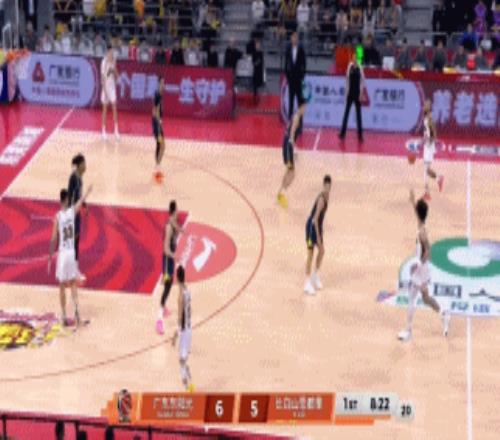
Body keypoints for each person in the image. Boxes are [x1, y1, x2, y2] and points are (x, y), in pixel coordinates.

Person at [397, 190, 450, 342]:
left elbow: (428, 250)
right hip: (424, 270)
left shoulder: (422, 232)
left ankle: (408, 331)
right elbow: (418, 214)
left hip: (421, 271)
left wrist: (418, 264)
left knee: (412, 299)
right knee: (425, 299)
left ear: (419, 214)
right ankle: (443, 313)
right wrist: (413, 202)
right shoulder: (421, 224)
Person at [48, 185, 93, 327]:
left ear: (60, 200)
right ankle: (78, 316)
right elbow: (81, 201)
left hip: (62, 254)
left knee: (62, 286)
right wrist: (87, 192)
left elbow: (54, 238)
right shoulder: (72, 212)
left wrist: (50, 257)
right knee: (73, 284)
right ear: (66, 200)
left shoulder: (57, 216)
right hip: (71, 253)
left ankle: (63, 317)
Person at [156, 201, 184, 335]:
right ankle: (159, 319)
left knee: (169, 285)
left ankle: (164, 307)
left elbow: (178, 228)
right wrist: (175, 256)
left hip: (170, 260)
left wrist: (182, 231)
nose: (179, 211)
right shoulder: (168, 228)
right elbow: (166, 249)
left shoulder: (173, 222)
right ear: (173, 212)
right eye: (177, 210)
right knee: (167, 288)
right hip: (168, 261)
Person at [304, 175, 331, 295]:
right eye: (326, 186)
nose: (327, 189)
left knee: (322, 251)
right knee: (310, 254)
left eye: (329, 187)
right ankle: (307, 283)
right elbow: (315, 219)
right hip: (312, 227)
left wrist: (320, 231)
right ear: (323, 186)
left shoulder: (327, 197)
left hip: (317, 226)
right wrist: (318, 237)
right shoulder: (321, 199)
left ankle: (314, 275)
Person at [277, 102, 306, 209]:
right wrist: (293, 150)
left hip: (287, 145)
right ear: (301, 107)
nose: (305, 110)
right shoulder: (297, 117)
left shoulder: (295, 115)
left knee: (289, 171)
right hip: (288, 146)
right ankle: (281, 194)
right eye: (304, 107)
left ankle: (280, 194)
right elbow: (292, 133)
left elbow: (289, 130)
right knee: (292, 173)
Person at [172, 265, 194, 392]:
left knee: (181, 360)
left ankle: (187, 385)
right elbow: (189, 310)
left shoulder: (181, 295)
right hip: (189, 327)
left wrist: (176, 334)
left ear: (177, 278)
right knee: (183, 359)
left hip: (184, 330)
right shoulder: (187, 290)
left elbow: (180, 316)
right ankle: (187, 375)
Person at [68, 154, 87, 282]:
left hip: (77, 213)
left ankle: (74, 270)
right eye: (84, 164)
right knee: (73, 243)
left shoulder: (79, 177)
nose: (85, 166)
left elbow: (78, 196)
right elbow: (71, 197)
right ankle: (72, 272)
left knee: (76, 242)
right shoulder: (74, 178)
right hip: (72, 214)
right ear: (79, 165)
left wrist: (84, 205)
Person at [339, 52, 365, 142]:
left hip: (357, 93)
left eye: (356, 58)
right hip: (350, 93)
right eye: (353, 58)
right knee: (346, 113)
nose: (354, 59)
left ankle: (360, 135)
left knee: (358, 115)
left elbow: (362, 81)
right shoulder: (349, 66)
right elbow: (347, 80)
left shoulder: (360, 67)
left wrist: (361, 93)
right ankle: (342, 134)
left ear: (357, 59)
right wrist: (346, 92)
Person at [421, 100, 444, 201]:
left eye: (426, 105)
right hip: (427, 146)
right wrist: (424, 139)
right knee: (426, 170)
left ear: (429, 108)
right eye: (424, 105)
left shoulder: (430, 119)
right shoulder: (425, 118)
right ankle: (439, 178)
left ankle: (427, 193)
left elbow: (434, 133)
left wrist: (429, 141)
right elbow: (427, 132)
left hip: (429, 147)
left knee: (426, 170)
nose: (424, 107)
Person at [284, 31, 306, 120]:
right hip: (291, 78)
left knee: (300, 100)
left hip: (299, 79)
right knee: (291, 100)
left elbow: (304, 63)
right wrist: (287, 75)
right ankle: (290, 120)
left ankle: (300, 121)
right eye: (293, 37)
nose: (295, 39)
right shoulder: (288, 48)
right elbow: (286, 63)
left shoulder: (301, 49)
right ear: (291, 39)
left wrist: (302, 76)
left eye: (296, 37)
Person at [101, 46, 120, 140]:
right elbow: (102, 78)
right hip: (106, 87)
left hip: (112, 87)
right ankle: (103, 131)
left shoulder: (114, 61)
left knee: (114, 107)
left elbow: (117, 76)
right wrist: (105, 91)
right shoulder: (104, 62)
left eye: (112, 52)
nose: (112, 54)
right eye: (110, 52)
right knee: (105, 109)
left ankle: (116, 130)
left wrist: (114, 69)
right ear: (107, 52)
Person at [152, 77, 165, 183]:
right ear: (159, 84)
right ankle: (157, 170)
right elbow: (154, 111)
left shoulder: (159, 94)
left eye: (164, 83)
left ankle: (157, 170)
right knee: (162, 146)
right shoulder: (157, 95)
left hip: (157, 124)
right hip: (156, 125)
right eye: (162, 83)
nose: (164, 85)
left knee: (159, 146)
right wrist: (158, 125)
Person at [252, 39, 264, 103]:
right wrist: (256, 62)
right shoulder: (254, 53)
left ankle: (258, 96)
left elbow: (261, 61)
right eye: (256, 45)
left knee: (259, 84)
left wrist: (257, 62)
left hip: (259, 70)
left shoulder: (261, 53)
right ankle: (255, 95)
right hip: (255, 70)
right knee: (255, 84)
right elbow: (253, 61)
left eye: (258, 45)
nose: (257, 46)